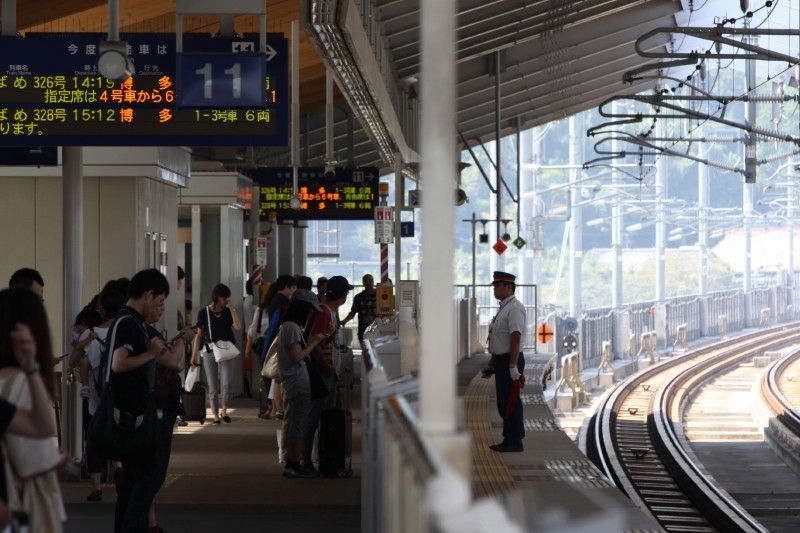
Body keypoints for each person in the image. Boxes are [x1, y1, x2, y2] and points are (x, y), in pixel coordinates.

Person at [108, 269, 191, 532]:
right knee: (148, 477)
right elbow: (119, 364)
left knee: (136, 481)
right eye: (159, 302)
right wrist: (151, 354)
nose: (161, 308)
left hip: (135, 415)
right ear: (147, 294)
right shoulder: (128, 324)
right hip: (133, 417)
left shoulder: (131, 322)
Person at [0, 289, 62, 532]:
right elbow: (36, 451)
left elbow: (43, 427)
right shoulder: (18, 382)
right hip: (22, 504)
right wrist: (32, 368)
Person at [68, 289, 125, 502]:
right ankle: (119, 471)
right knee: (116, 435)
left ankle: (96, 487)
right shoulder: (123, 332)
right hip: (117, 395)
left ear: (101, 309)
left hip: (93, 396)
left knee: (93, 440)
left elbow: (73, 361)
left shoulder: (89, 334)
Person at [145, 305, 193, 533]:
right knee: (151, 468)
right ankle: (146, 520)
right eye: (160, 303)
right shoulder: (150, 336)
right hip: (155, 411)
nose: (161, 309)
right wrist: (182, 340)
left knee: (149, 469)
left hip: (157, 410)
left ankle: (150, 520)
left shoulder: (147, 335)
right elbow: (176, 363)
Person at [302, 276, 353, 470]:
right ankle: (306, 459)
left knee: (328, 414)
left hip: (329, 370)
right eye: (346, 292)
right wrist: (325, 366)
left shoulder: (329, 311)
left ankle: (321, 456)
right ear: (342, 295)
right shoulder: (324, 312)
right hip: (322, 372)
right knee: (314, 416)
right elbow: (314, 344)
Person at [276, 289, 325, 478]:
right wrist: (313, 343)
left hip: (292, 382)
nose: (311, 314)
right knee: (297, 423)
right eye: (310, 310)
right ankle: (294, 464)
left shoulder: (287, 326)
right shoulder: (292, 328)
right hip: (297, 382)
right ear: (302, 309)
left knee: (292, 422)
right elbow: (297, 356)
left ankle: (291, 461)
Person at [483, 271, 527, 453]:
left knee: (510, 401)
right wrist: (493, 361)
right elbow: (497, 336)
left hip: (510, 360)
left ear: (508, 287)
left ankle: (514, 441)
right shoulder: (504, 308)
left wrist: (512, 366)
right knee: (504, 401)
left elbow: (515, 337)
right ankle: (509, 438)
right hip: (502, 360)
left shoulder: (514, 308)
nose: (494, 289)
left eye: (497, 286)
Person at [245, 275, 296, 419]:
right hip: (275, 345)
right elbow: (271, 327)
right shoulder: (282, 302)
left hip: (269, 345)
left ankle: (273, 408)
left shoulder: (272, 303)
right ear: (286, 287)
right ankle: (278, 409)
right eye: (292, 288)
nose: (293, 291)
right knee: (276, 379)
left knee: (270, 378)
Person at [191, 283, 242, 425]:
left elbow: (237, 326)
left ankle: (224, 410)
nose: (226, 300)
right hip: (209, 351)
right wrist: (194, 356)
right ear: (216, 297)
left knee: (227, 382)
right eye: (224, 297)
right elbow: (199, 335)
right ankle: (215, 414)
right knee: (212, 385)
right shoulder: (204, 312)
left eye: (227, 297)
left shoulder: (227, 311)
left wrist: (232, 308)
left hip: (226, 350)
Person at [342, 274, 377, 347]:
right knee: (365, 352)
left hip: (378, 330)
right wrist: (344, 321)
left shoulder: (380, 296)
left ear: (373, 282)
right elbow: (352, 313)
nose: (368, 283)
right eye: (365, 281)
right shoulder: (358, 297)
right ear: (363, 282)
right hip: (363, 331)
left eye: (369, 281)